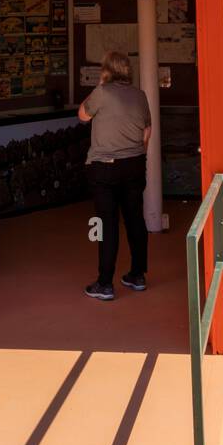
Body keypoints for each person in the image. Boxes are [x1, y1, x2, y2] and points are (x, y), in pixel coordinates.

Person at [78, 50, 152, 301]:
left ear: (106, 70)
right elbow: (147, 130)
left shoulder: (102, 93)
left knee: (106, 225)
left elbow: (82, 116)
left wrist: (99, 85)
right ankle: (137, 275)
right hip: (134, 165)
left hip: (105, 168)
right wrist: (139, 155)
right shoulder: (140, 95)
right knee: (134, 220)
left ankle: (105, 284)